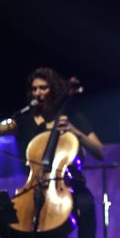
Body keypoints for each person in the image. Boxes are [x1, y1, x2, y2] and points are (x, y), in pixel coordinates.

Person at [0, 67, 104, 238]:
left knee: (85, 204)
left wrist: (74, 131)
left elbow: (100, 151)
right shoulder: (23, 120)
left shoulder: (72, 117)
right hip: (33, 186)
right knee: (6, 216)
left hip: (68, 186)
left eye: (43, 88)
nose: (37, 93)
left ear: (53, 89)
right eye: (34, 89)